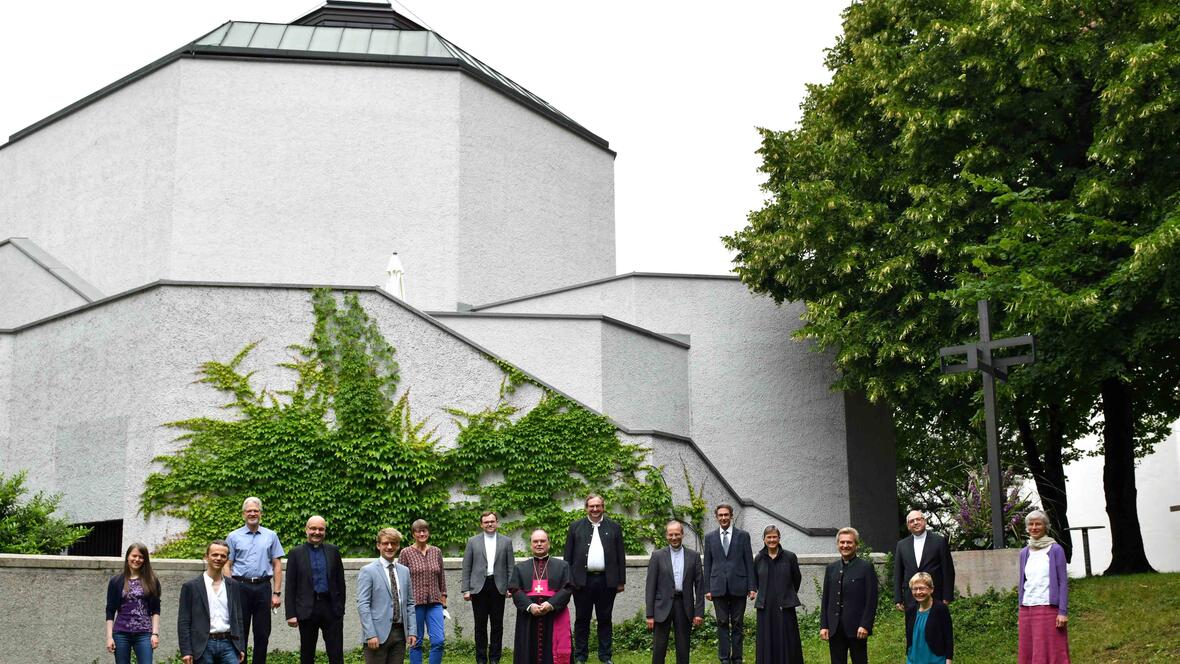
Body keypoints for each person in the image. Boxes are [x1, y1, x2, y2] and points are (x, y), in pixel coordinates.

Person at [563, 494, 625, 664]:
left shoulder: (614, 527)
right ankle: (581, 656)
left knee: (605, 619)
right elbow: (567, 556)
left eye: (598, 506)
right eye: (592, 506)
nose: (595, 509)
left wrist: (621, 581)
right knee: (582, 619)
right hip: (581, 582)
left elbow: (621, 556)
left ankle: (605, 656)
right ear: (586, 508)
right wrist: (569, 580)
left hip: (607, 581)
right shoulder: (575, 527)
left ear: (603, 507)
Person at [226, 497, 284, 664]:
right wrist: (230, 590)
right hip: (239, 587)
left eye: (255, 511)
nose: (252, 513)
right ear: (244, 514)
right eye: (249, 511)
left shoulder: (271, 536)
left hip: (263, 588)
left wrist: (276, 593)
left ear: (261, 514)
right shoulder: (233, 536)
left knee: (262, 633)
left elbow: (277, 565)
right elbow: (227, 565)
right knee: (239, 632)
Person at [285, 516, 347, 664]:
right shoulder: (295, 553)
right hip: (307, 609)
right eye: (313, 528)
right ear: (306, 530)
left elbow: (340, 583)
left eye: (321, 529)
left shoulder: (334, 551)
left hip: (331, 609)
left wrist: (340, 608)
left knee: (336, 653)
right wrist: (291, 614)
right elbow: (290, 586)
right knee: (307, 653)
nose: (317, 532)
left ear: (325, 531)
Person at [703, 504, 756, 664]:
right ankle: (724, 658)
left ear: (731, 516)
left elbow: (749, 562)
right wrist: (707, 588)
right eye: (720, 515)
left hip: (739, 586)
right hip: (718, 586)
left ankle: (737, 658)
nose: (724, 518)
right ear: (716, 517)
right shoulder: (710, 537)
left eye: (726, 515)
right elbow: (708, 564)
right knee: (722, 623)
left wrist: (752, 587)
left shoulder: (743, 536)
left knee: (738, 623)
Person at [644, 521, 704, 664]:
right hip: (662, 606)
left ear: (682, 534)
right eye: (671, 534)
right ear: (666, 536)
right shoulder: (657, 556)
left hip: (684, 606)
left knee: (683, 647)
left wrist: (699, 612)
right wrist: (649, 615)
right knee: (659, 647)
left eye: (677, 534)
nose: (674, 537)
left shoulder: (694, 556)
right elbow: (650, 586)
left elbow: (700, 586)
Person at [178, 540, 246, 664]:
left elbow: (239, 618)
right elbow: (184, 621)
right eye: (215, 555)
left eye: (223, 556)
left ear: (227, 559)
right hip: (203, 645)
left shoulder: (233, 585)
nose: (219, 558)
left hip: (229, 644)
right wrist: (186, 651)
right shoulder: (191, 587)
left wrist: (241, 646)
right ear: (206, 556)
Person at [512, 529, 575, 664]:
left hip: (553, 615)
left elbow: (568, 588)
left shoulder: (563, 566)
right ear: (531, 545)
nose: (539, 544)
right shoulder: (520, 568)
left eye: (542, 541)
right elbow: (515, 589)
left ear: (549, 544)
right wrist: (530, 606)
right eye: (535, 541)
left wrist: (551, 604)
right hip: (528, 617)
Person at [357, 527, 418, 664]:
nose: (389, 547)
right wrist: (370, 634)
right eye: (385, 543)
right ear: (378, 545)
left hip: (399, 634)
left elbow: (409, 603)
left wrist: (412, 631)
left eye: (393, 543)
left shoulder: (404, 571)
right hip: (377, 635)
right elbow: (363, 604)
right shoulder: (368, 571)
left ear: (398, 546)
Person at [462, 511, 515, 664]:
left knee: (497, 624)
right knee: (480, 625)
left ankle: (494, 658)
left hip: (498, 586)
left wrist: (510, 587)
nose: (489, 524)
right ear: (481, 524)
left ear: (497, 522)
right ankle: (481, 659)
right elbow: (467, 566)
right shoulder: (472, 541)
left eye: (492, 521)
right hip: (478, 588)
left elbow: (510, 566)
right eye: (486, 522)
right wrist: (466, 589)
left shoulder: (506, 541)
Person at [1018, 510, 1070, 664]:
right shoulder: (1024, 553)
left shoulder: (1055, 550)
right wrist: (1020, 610)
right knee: (1028, 651)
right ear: (1027, 527)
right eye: (1031, 524)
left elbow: (1063, 582)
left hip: (1048, 610)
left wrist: (1062, 612)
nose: (1034, 527)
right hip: (1027, 609)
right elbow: (1024, 583)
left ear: (1045, 526)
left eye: (1038, 524)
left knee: (1053, 650)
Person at [819, 527, 878, 664]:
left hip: (857, 628)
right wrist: (824, 625)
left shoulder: (866, 568)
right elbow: (826, 600)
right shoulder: (831, 569)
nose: (845, 545)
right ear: (838, 544)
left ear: (856, 545)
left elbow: (871, 600)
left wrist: (865, 625)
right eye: (842, 542)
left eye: (849, 542)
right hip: (835, 628)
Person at [753, 525, 803, 664]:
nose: (772, 540)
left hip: (785, 606)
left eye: (774, 537)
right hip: (765, 607)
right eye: (769, 537)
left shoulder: (790, 557)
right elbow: (757, 581)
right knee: (767, 639)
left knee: (787, 639)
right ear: (764, 539)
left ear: (779, 538)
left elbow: (796, 579)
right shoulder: (758, 559)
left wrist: (787, 594)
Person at [401, 519, 449, 664]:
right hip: (414, 604)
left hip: (435, 602)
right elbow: (401, 578)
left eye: (424, 530)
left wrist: (444, 598)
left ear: (428, 532)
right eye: (418, 531)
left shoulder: (436, 551)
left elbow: (441, 577)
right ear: (413, 534)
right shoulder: (406, 553)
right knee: (416, 641)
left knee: (439, 640)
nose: (422, 533)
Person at [105, 542, 162, 664]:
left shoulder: (152, 581)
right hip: (121, 633)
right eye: (134, 556)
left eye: (141, 557)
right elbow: (110, 610)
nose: (137, 559)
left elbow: (156, 610)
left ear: (145, 559)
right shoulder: (116, 581)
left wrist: (155, 634)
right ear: (127, 557)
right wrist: (109, 637)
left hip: (144, 634)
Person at [893, 511, 955, 611]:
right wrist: (898, 598)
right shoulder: (901, 545)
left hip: (935, 597)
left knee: (935, 626)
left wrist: (947, 597)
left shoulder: (939, 541)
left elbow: (948, 571)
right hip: (911, 599)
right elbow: (898, 573)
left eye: (918, 519)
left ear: (925, 521)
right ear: (908, 526)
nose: (915, 522)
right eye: (912, 521)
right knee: (912, 626)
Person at [904, 573, 953, 664]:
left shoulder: (940, 608)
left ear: (931, 589)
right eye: (915, 589)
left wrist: (949, 659)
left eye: (922, 588)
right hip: (914, 658)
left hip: (935, 659)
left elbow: (948, 636)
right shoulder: (910, 610)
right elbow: (909, 635)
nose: (918, 592)